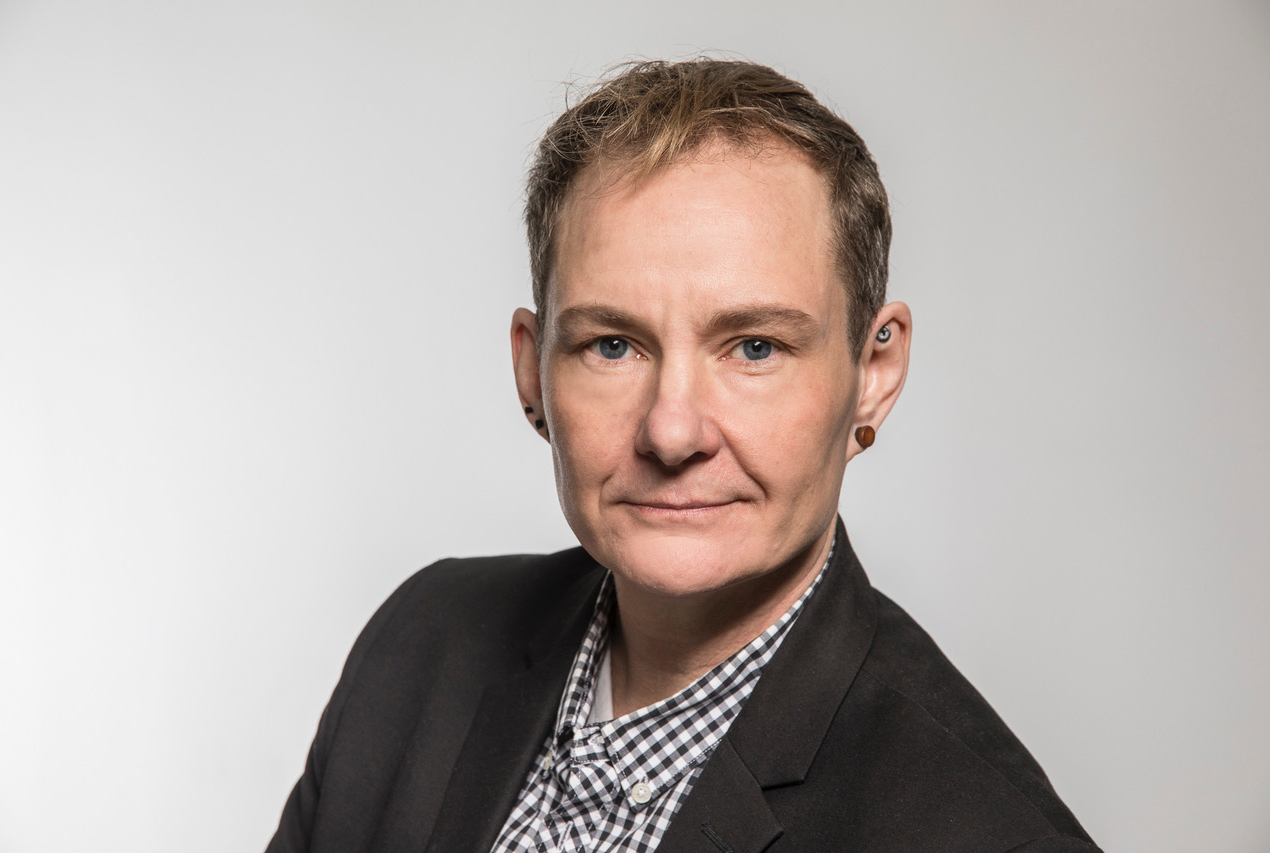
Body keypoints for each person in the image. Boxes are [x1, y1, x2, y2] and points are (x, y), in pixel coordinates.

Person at [266, 58, 1099, 853]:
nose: (671, 433)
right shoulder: (419, 647)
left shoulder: (988, 832)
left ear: (873, 375)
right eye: (613, 345)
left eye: (755, 347)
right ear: (531, 371)